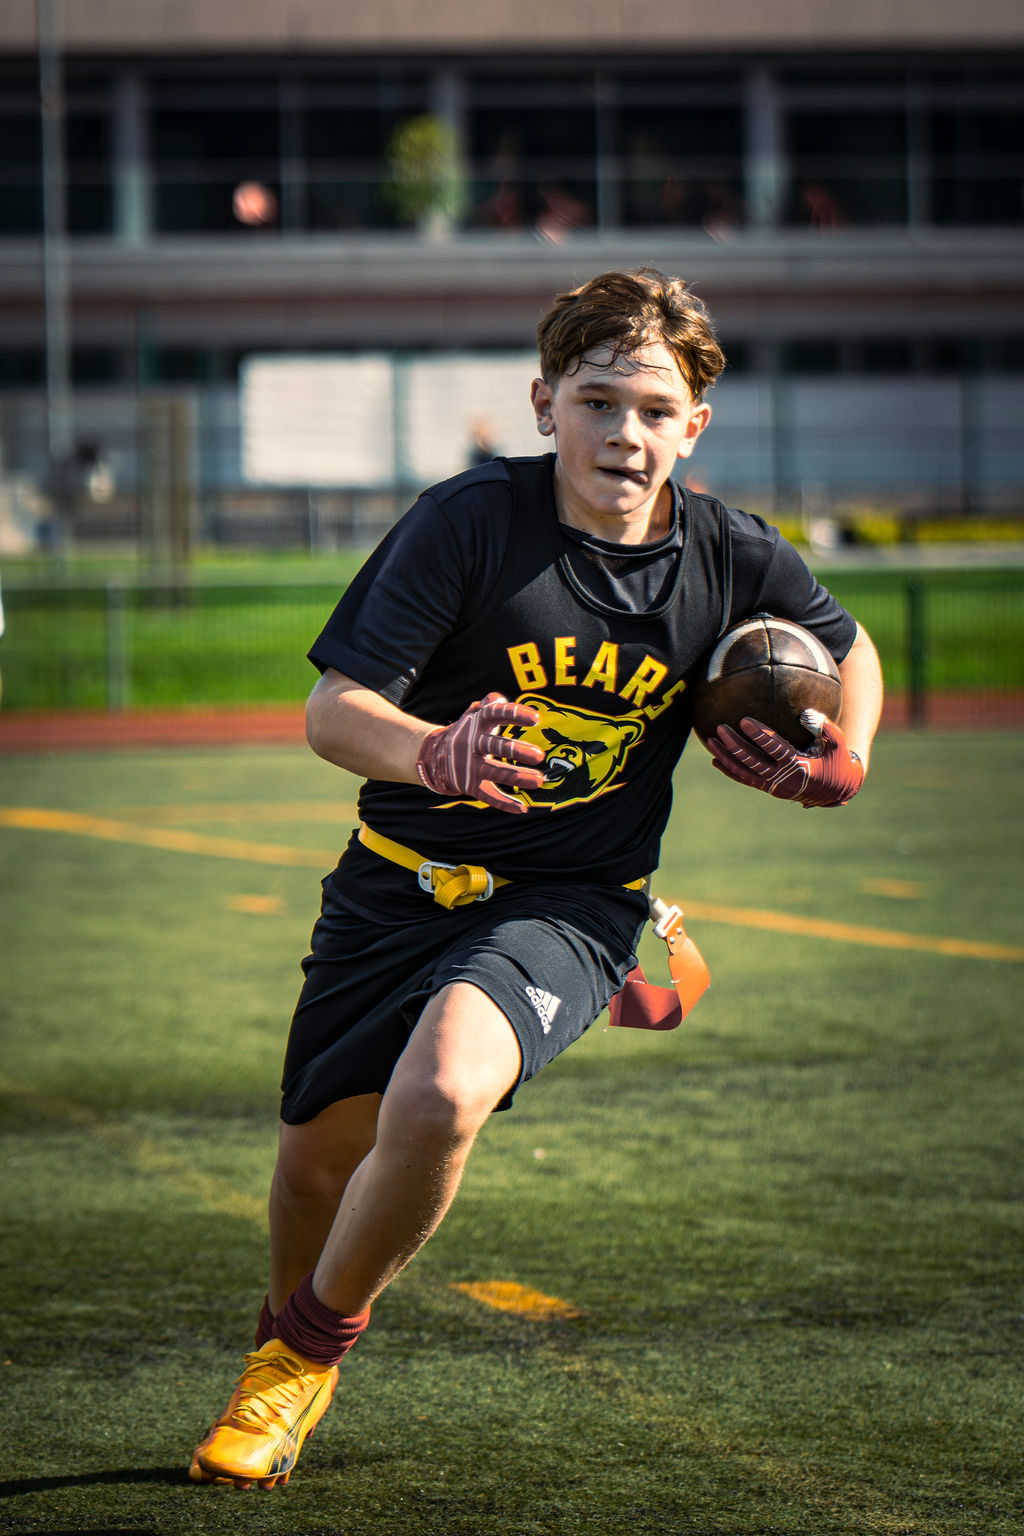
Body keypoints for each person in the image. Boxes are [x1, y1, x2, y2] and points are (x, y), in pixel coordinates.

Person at [189, 267, 883, 1491]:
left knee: (441, 1092)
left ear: (693, 426)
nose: (625, 433)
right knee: (314, 1165)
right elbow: (332, 709)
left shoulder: (727, 552)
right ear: (543, 404)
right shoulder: (469, 523)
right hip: (397, 882)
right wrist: (432, 752)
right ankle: (280, 1337)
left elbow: (848, 645)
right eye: (598, 401)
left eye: (655, 410)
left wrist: (848, 755)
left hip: (571, 904)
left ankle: (304, 1356)